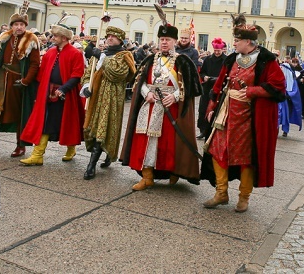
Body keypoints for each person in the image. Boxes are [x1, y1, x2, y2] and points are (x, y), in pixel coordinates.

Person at [201, 14, 285, 212]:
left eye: (237, 41)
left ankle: (244, 197)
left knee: (246, 158)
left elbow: (278, 86)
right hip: (226, 114)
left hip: (249, 118)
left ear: (248, 41)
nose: (234, 43)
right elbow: (219, 84)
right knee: (217, 150)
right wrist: (212, 106)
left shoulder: (266, 59)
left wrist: (251, 91)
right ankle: (221, 192)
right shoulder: (232, 59)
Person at [120, 11, 202, 190]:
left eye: (168, 40)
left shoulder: (183, 61)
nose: (164, 42)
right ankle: (147, 176)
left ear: (175, 42)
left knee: (169, 144)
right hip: (149, 105)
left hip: (170, 108)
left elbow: (191, 88)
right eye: (162, 39)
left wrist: (174, 97)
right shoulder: (150, 59)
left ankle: (173, 172)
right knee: (146, 142)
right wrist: (145, 93)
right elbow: (139, 81)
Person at [20, 23, 84, 165]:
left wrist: (64, 89)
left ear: (64, 38)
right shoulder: (50, 52)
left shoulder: (75, 53)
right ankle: (37, 155)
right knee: (45, 122)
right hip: (48, 94)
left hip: (65, 95)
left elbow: (76, 75)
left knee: (67, 123)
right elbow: (42, 73)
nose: (52, 38)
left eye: (55, 36)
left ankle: (70, 149)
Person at [80, 26, 136, 180]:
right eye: (108, 36)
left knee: (105, 127)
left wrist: (102, 58)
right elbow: (88, 73)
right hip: (96, 97)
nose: (109, 38)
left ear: (120, 40)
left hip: (112, 97)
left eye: (113, 36)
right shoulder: (100, 54)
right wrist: (86, 86)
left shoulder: (125, 56)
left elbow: (117, 74)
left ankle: (91, 166)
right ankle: (104, 155)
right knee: (95, 127)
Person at [0, 8, 40, 157]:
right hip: (1, 79)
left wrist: (25, 81)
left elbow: (35, 64)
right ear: (12, 25)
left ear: (25, 26)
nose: (19, 27)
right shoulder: (4, 38)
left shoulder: (31, 40)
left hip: (17, 82)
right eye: (16, 24)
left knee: (19, 113)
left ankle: (20, 145)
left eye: (22, 25)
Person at [197, 37, 227, 140]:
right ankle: (202, 130)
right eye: (215, 51)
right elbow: (202, 72)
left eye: (218, 51)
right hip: (207, 88)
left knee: (214, 110)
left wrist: (217, 79)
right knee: (203, 109)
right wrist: (204, 77)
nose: (217, 52)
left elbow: (226, 75)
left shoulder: (226, 60)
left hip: (218, 89)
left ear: (222, 49)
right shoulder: (208, 59)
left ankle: (213, 131)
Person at [278, 57, 303, 137]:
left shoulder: (292, 80)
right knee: (278, 115)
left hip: (287, 101)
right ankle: (276, 129)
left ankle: (285, 131)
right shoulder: (279, 78)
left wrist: (288, 94)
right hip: (279, 100)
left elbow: (294, 92)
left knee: (286, 116)